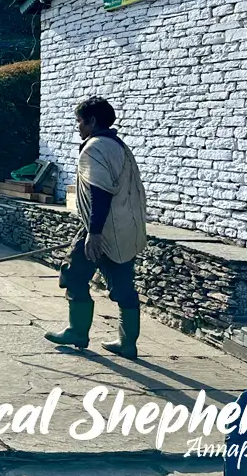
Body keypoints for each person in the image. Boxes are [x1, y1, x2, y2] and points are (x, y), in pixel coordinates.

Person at [44, 96, 147, 358]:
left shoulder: (95, 148)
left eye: (80, 122)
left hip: (101, 228)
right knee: (123, 287)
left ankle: (77, 331)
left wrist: (94, 233)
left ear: (91, 121)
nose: (78, 127)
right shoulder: (119, 147)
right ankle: (127, 343)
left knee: (73, 274)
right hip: (125, 227)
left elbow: (99, 192)